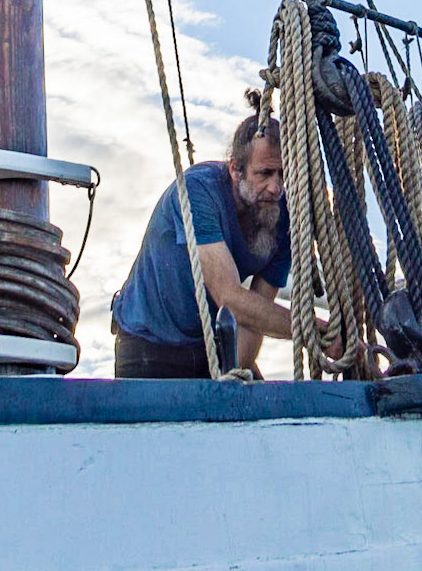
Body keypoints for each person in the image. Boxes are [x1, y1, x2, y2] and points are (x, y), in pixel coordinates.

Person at [113, 95, 293, 378]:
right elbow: (229, 297)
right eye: (265, 174)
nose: (275, 187)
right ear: (235, 169)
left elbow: (255, 317)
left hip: (209, 346)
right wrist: (313, 331)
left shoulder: (281, 220)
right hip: (149, 346)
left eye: (283, 174)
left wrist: (235, 375)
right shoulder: (198, 190)